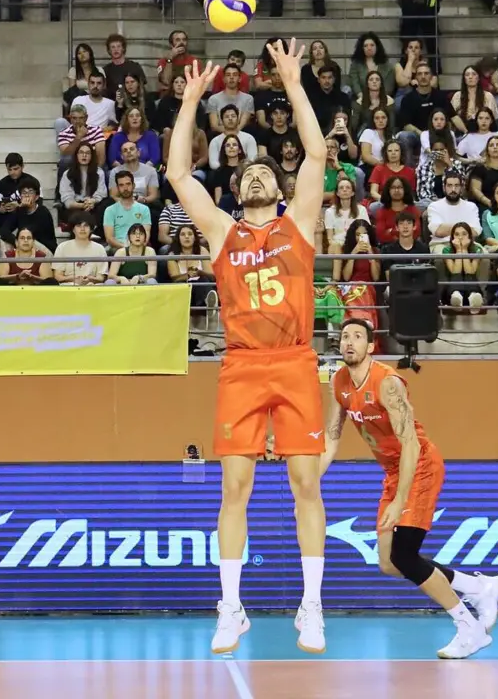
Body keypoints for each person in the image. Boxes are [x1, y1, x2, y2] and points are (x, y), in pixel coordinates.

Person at [166, 39, 329, 655]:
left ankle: (310, 607)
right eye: (247, 174)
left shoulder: (300, 224)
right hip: (240, 366)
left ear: (278, 188)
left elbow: (315, 150)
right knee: (234, 489)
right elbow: (180, 174)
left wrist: (292, 82)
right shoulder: (222, 232)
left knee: (305, 487)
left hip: (293, 362)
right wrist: (189, 105)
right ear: (238, 193)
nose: (257, 174)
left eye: (265, 170)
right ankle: (229, 607)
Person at [320, 319, 498, 658]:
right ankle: (478, 586)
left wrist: (399, 499)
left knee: (404, 554)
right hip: (393, 470)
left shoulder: (387, 383)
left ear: (371, 347)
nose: (349, 341)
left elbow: (412, 445)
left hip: (419, 464)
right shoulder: (339, 382)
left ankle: (469, 627)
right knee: (389, 563)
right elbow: (331, 438)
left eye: (358, 337)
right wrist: (309, 486)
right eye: (345, 336)